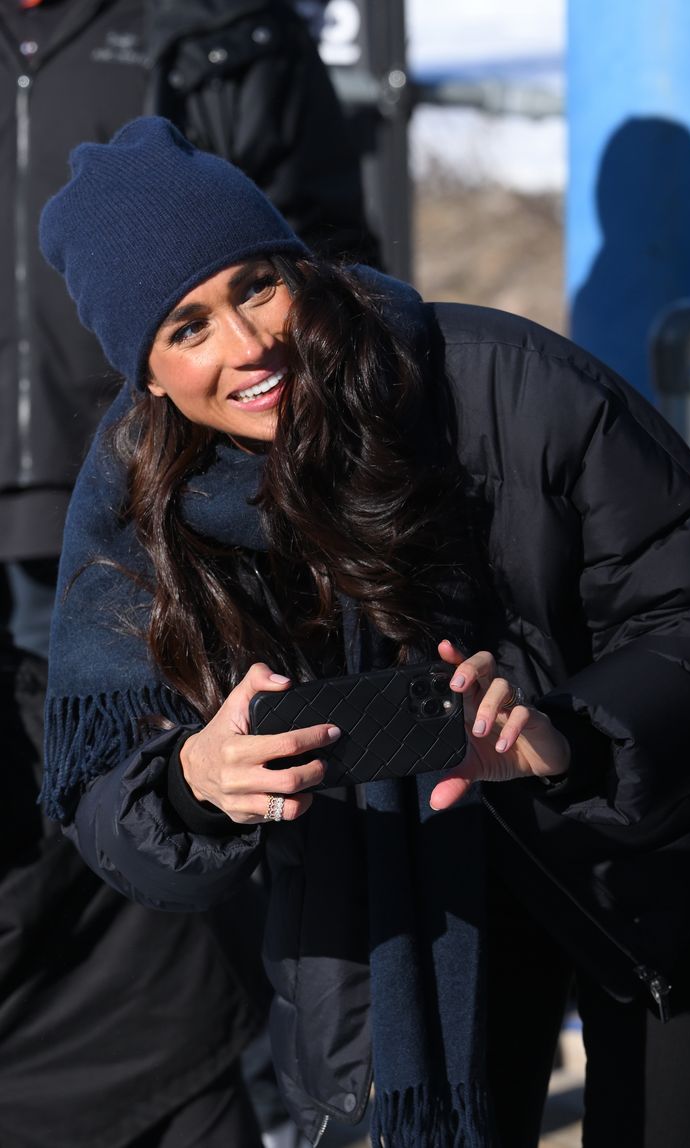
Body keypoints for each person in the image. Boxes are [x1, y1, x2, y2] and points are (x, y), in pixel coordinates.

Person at [39, 116, 690, 1148]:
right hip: (384, 911)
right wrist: (195, 784)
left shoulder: (500, 382)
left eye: (256, 285)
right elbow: (106, 804)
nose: (248, 345)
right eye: (188, 326)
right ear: (148, 374)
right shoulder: (137, 517)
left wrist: (564, 732)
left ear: (304, 270)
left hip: (633, 857)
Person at [1, 4, 376, 1146]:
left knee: (239, 789)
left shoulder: (218, 25)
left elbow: (315, 253)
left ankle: (258, 1093)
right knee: (63, 847)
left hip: (159, 505)